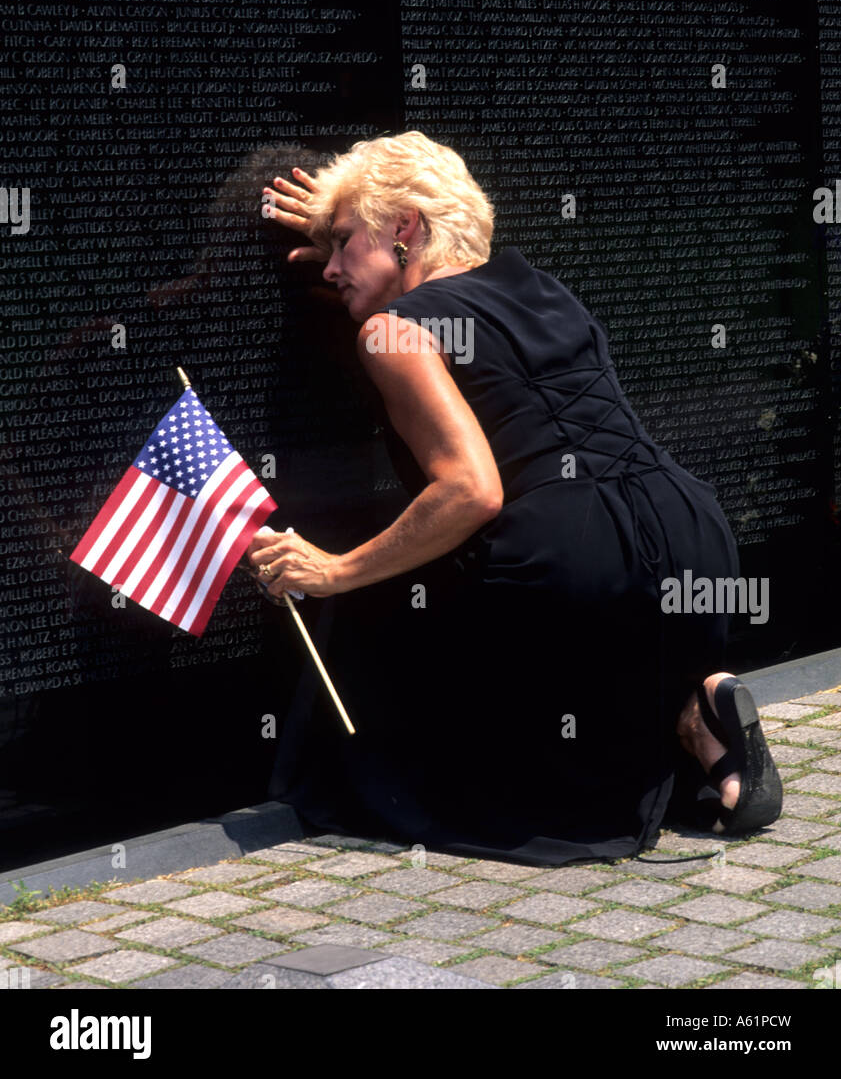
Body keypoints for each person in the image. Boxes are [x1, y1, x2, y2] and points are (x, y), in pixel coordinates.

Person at [245, 130, 782, 866]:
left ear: (405, 229)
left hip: (573, 563)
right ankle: (695, 708)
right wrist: (348, 233)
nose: (329, 266)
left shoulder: (390, 331)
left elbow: (469, 489)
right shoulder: (542, 288)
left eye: (343, 243)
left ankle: (668, 724)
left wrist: (334, 570)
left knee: (380, 612)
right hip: (693, 541)